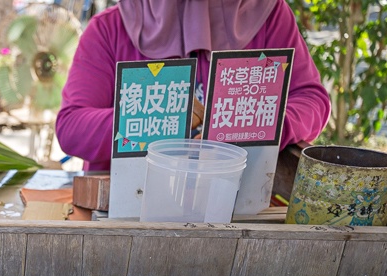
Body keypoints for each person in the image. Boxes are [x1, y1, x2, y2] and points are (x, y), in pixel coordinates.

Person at [56, 0, 331, 171]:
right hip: (128, 213)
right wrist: (162, 121)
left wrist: (249, 125)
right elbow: (72, 128)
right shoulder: (111, 27)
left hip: (242, 208)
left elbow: (311, 100)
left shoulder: (268, 14)